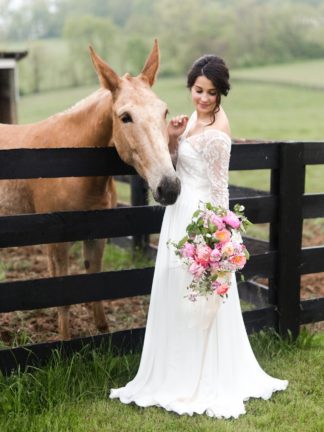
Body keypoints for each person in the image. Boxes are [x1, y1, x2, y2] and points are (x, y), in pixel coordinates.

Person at [110, 54, 288, 418]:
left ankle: (201, 373)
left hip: (200, 221)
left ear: (221, 92)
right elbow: (175, 167)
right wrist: (174, 137)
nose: (203, 98)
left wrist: (218, 240)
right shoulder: (192, 119)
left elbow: (220, 191)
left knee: (200, 294)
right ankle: (172, 370)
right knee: (175, 293)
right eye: (197, 90)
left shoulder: (218, 133)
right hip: (177, 215)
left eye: (210, 92)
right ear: (191, 88)